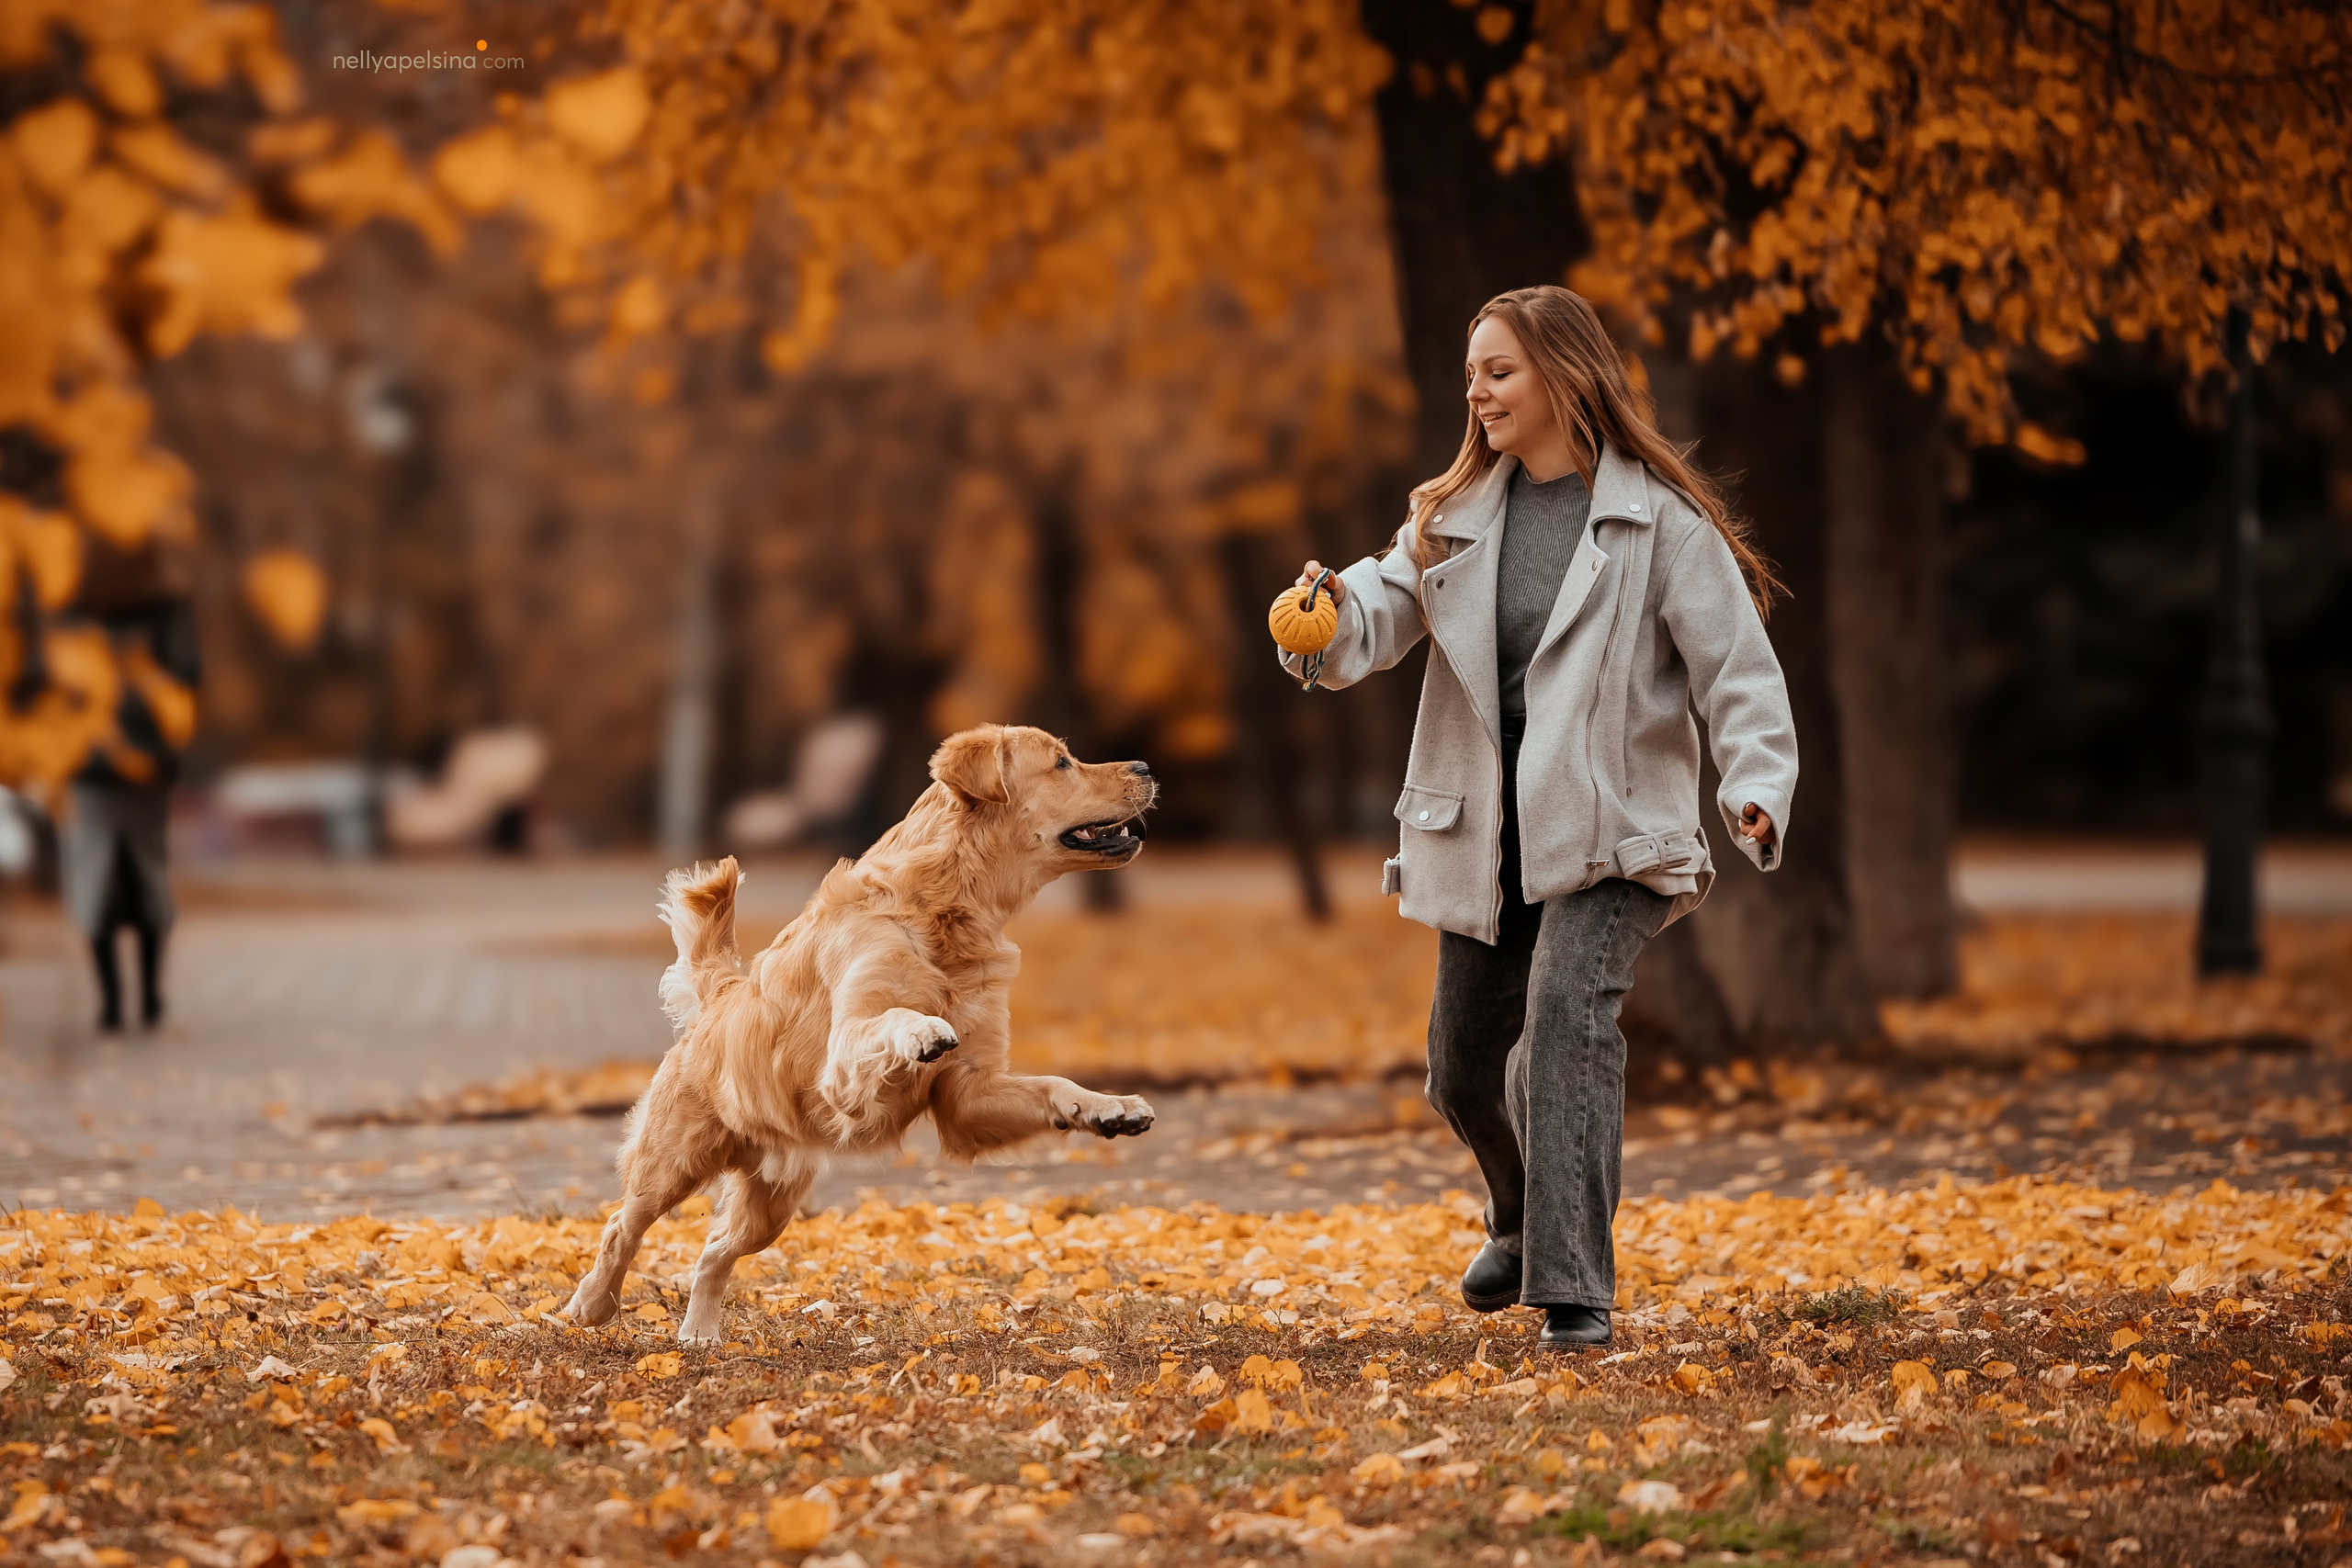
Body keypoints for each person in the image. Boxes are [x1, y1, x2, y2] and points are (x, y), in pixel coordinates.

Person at [1278, 286, 1796, 1348]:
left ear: (1563, 375)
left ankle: (1573, 1292)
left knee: (1564, 1022)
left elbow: (1738, 673)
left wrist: (1753, 785)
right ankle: (1519, 1220)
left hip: (1613, 826)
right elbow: (1380, 608)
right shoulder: (1454, 518)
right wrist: (1325, 621)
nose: (1477, 391)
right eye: (1471, 373)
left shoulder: (1660, 523)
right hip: (1488, 827)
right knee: (1463, 1064)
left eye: (1499, 370)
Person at [55, 554, 199, 1031]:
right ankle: (123, 999)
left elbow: (187, 674)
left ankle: (134, 999)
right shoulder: (160, 605)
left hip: (129, 772)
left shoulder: (83, 601)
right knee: (118, 879)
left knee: (126, 879)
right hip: (107, 771)